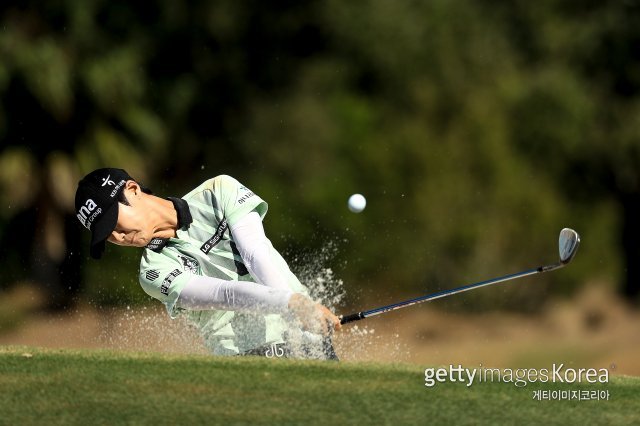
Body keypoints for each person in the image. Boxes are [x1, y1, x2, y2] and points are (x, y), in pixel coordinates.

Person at [74, 168, 341, 359]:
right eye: (106, 235)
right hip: (247, 357)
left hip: (308, 338)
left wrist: (299, 311)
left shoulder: (218, 191)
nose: (117, 236)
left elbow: (255, 253)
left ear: (132, 190)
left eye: (112, 222)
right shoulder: (153, 272)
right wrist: (294, 306)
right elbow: (224, 294)